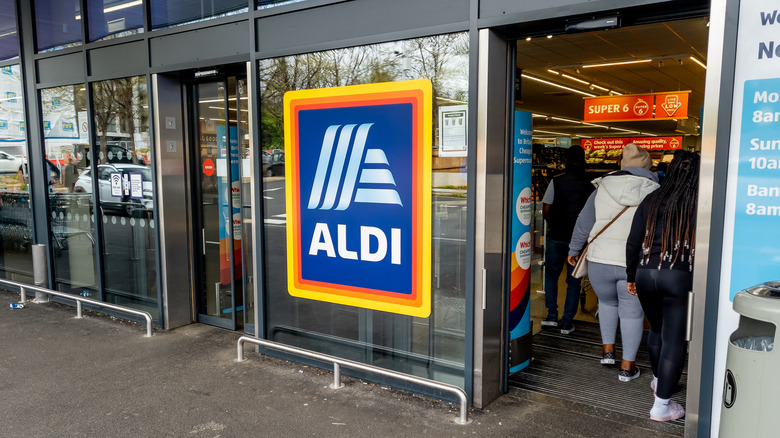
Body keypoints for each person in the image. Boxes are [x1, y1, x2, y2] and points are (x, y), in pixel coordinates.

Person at [567, 143, 659, 382]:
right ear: (648, 168)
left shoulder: (602, 187)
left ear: (621, 165)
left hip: (599, 259)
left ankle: (607, 352)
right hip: (633, 263)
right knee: (632, 314)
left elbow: (584, 222)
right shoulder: (655, 191)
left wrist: (574, 249)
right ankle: (627, 367)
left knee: (607, 304)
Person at [625, 150, 699, 422]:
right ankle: (661, 407)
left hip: (646, 273)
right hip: (678, 275)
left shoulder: (651, 199)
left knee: (655, 329)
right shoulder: (698, 202)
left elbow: (633, 242)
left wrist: (631, 275)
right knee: (674, 339)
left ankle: (658, 381)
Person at [540, 146, 594, 334]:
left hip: (556, 237)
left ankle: (551, 315)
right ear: (584, 161)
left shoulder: (555, 182)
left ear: (565, 161)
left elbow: (546, 210)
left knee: (551, 276)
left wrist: (555, 225)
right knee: (574, 280)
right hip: (578, 241)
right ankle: (567, 321)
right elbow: (592, 215)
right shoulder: (591, 186)